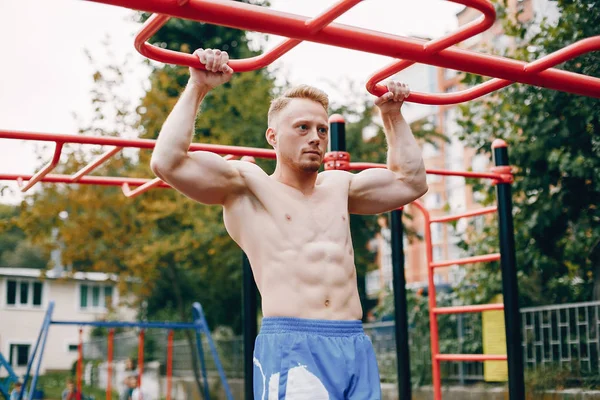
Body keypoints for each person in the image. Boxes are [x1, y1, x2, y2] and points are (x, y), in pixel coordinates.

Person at [150, 48, 428, 399]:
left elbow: (412, 182)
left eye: (322, 129)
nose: (315, 137)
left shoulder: (340, 186)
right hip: (292, 346)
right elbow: (167, 162)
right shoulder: (247, 186)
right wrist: (198, 86)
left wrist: (392, 115)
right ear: (273, 136)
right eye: (302, 127)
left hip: (353, 341)